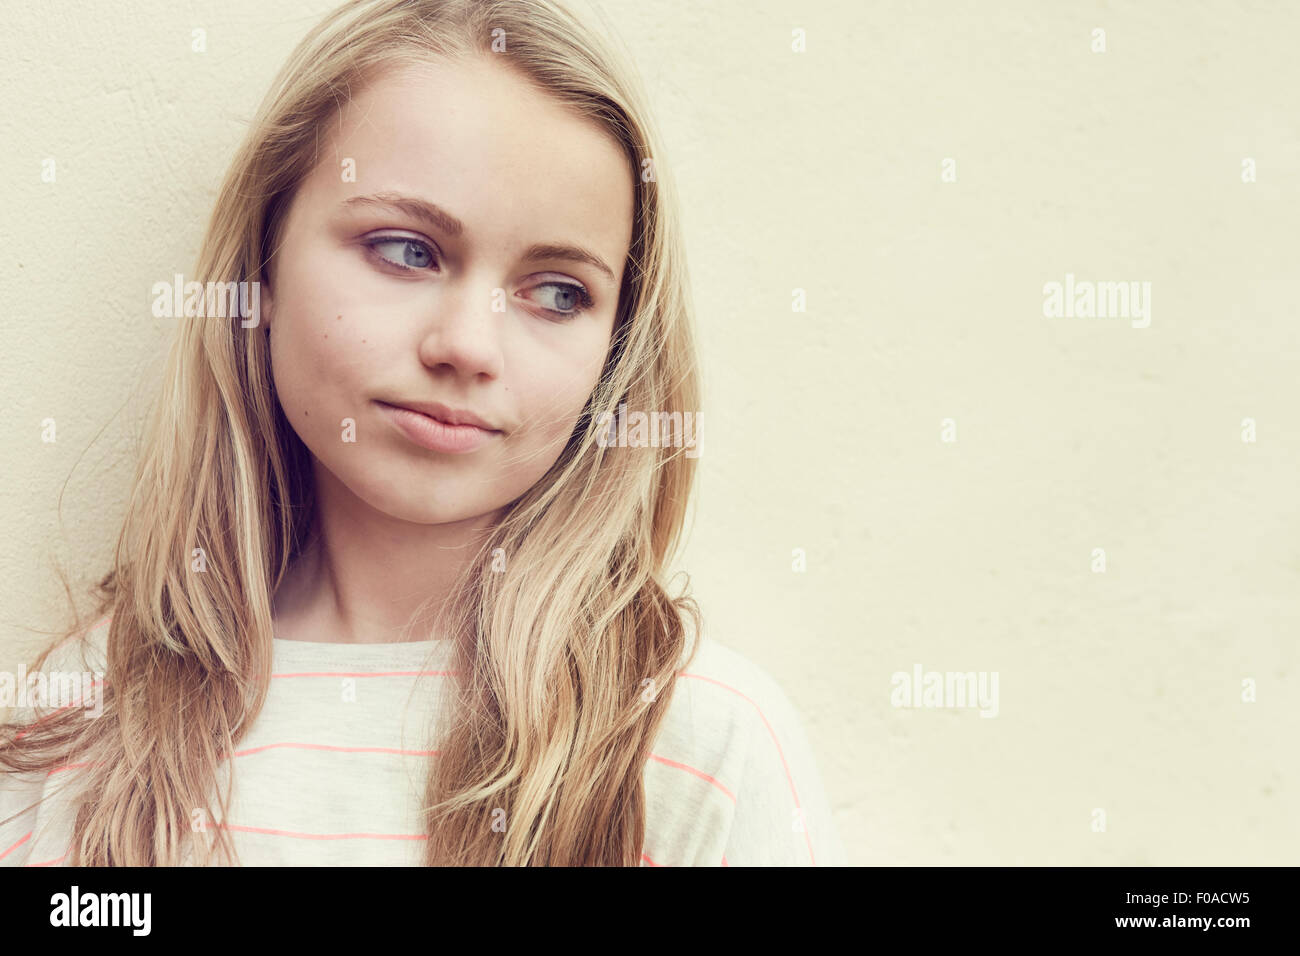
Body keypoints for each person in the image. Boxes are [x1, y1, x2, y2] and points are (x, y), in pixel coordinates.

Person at [0, 0, 845, 867]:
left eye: (558, 292)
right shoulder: (81, 719)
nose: (469, 346)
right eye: (406, 251)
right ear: (263, 264)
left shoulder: (702, 747)